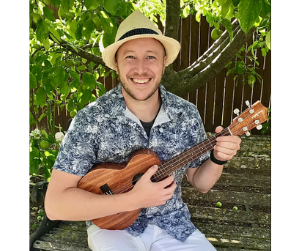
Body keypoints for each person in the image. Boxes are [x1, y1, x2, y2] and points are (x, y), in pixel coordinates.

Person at [45, 10, 241, 251]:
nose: (140, 69)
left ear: (164, 62)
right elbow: (55, 206)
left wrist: (218, 158)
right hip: (113, 226)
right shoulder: (91, 119)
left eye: (150, 57)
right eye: (130, 57)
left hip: (174, 225)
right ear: (116, 63)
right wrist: (133, 199)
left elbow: (200, 183)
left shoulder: (186, 114)